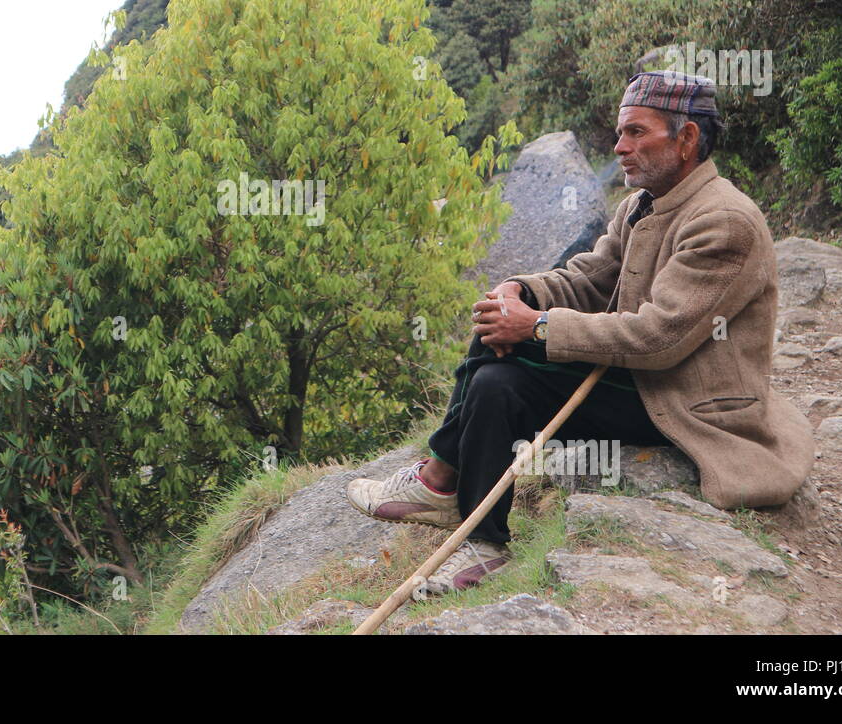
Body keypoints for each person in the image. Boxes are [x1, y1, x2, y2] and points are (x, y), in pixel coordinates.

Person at [346, 71, 815, 595]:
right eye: (621, 133)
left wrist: (538, 326)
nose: (620, 146)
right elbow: (591, 278)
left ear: (685, 140)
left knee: (502, 367)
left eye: (637, 132)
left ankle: (449, 497)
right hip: (642, 382)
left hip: (686, 401)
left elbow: (659, 339)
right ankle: (466, 515)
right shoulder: (641, 204)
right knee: (495, 356)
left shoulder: (724, 222)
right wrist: (522, 291)